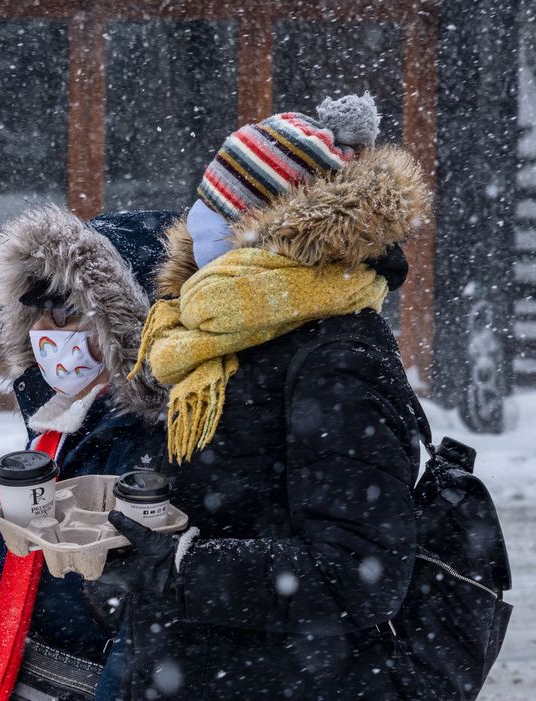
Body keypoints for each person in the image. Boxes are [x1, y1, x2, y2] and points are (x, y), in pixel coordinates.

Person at [100, 94, 432, 699]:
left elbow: (360, 573)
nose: (195, 220)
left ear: (264, 227)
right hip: (202, 671)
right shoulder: (221, 336)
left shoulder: (338, 357)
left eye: (215, 207)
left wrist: (179, 569)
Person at [0, 205, 181, 701]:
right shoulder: (64, 421)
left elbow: (144, 623)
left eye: (65, 310)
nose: (46, 328)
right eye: (38, 311)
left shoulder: (152, 441)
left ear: (125, 323)